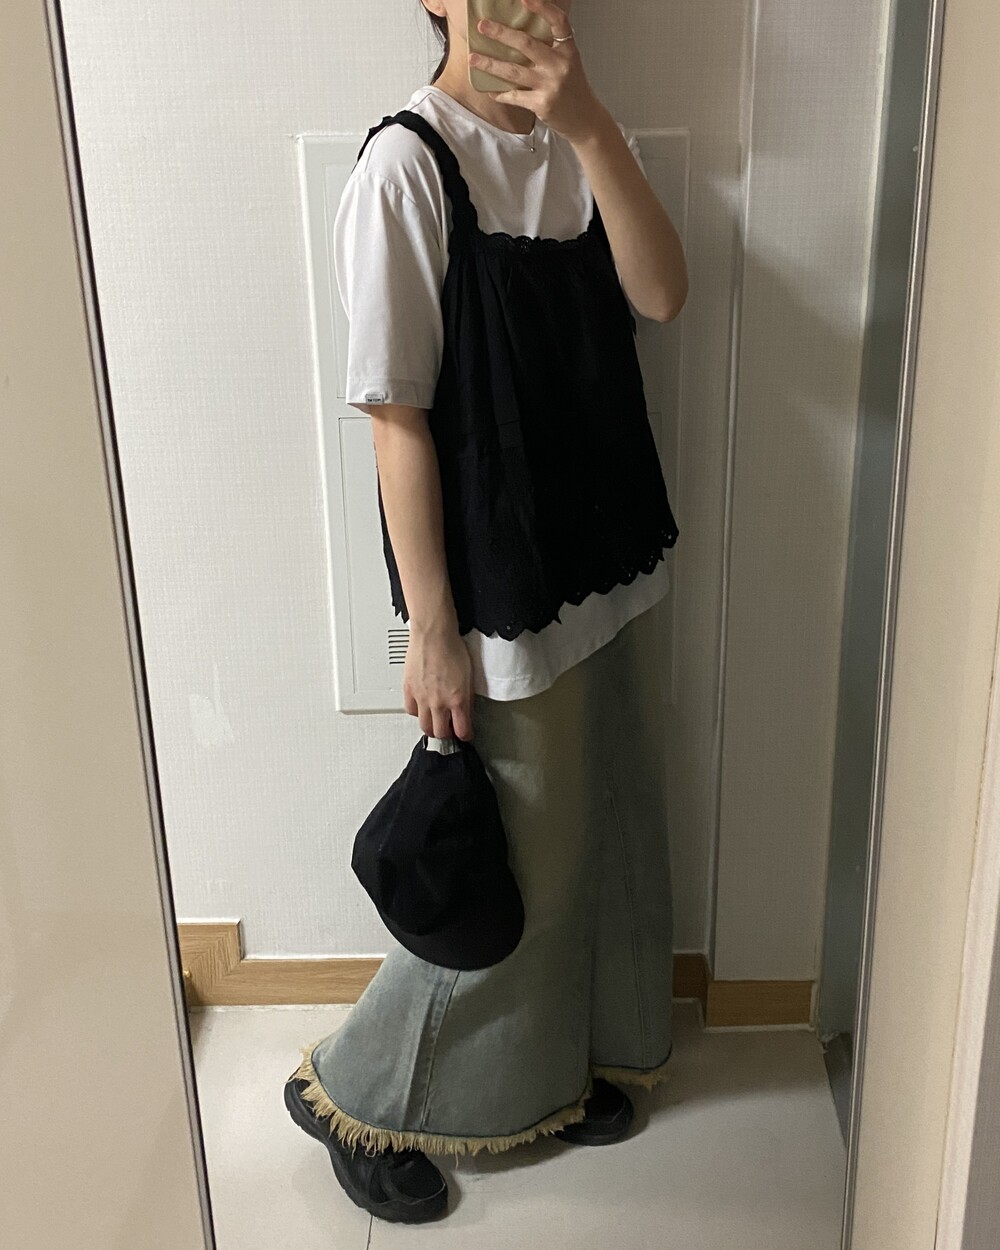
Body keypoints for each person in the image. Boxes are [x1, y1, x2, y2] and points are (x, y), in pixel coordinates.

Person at [284, 0, 688, 1224]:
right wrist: (433, 628)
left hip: (605, 555)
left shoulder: (582, 138)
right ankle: (361, 1087)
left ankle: (552, 1069)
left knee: (604, 826)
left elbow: (663, 294)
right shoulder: (407, 166)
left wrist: (589, 122)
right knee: (523, 863)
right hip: (503, 586)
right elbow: (394, 417)